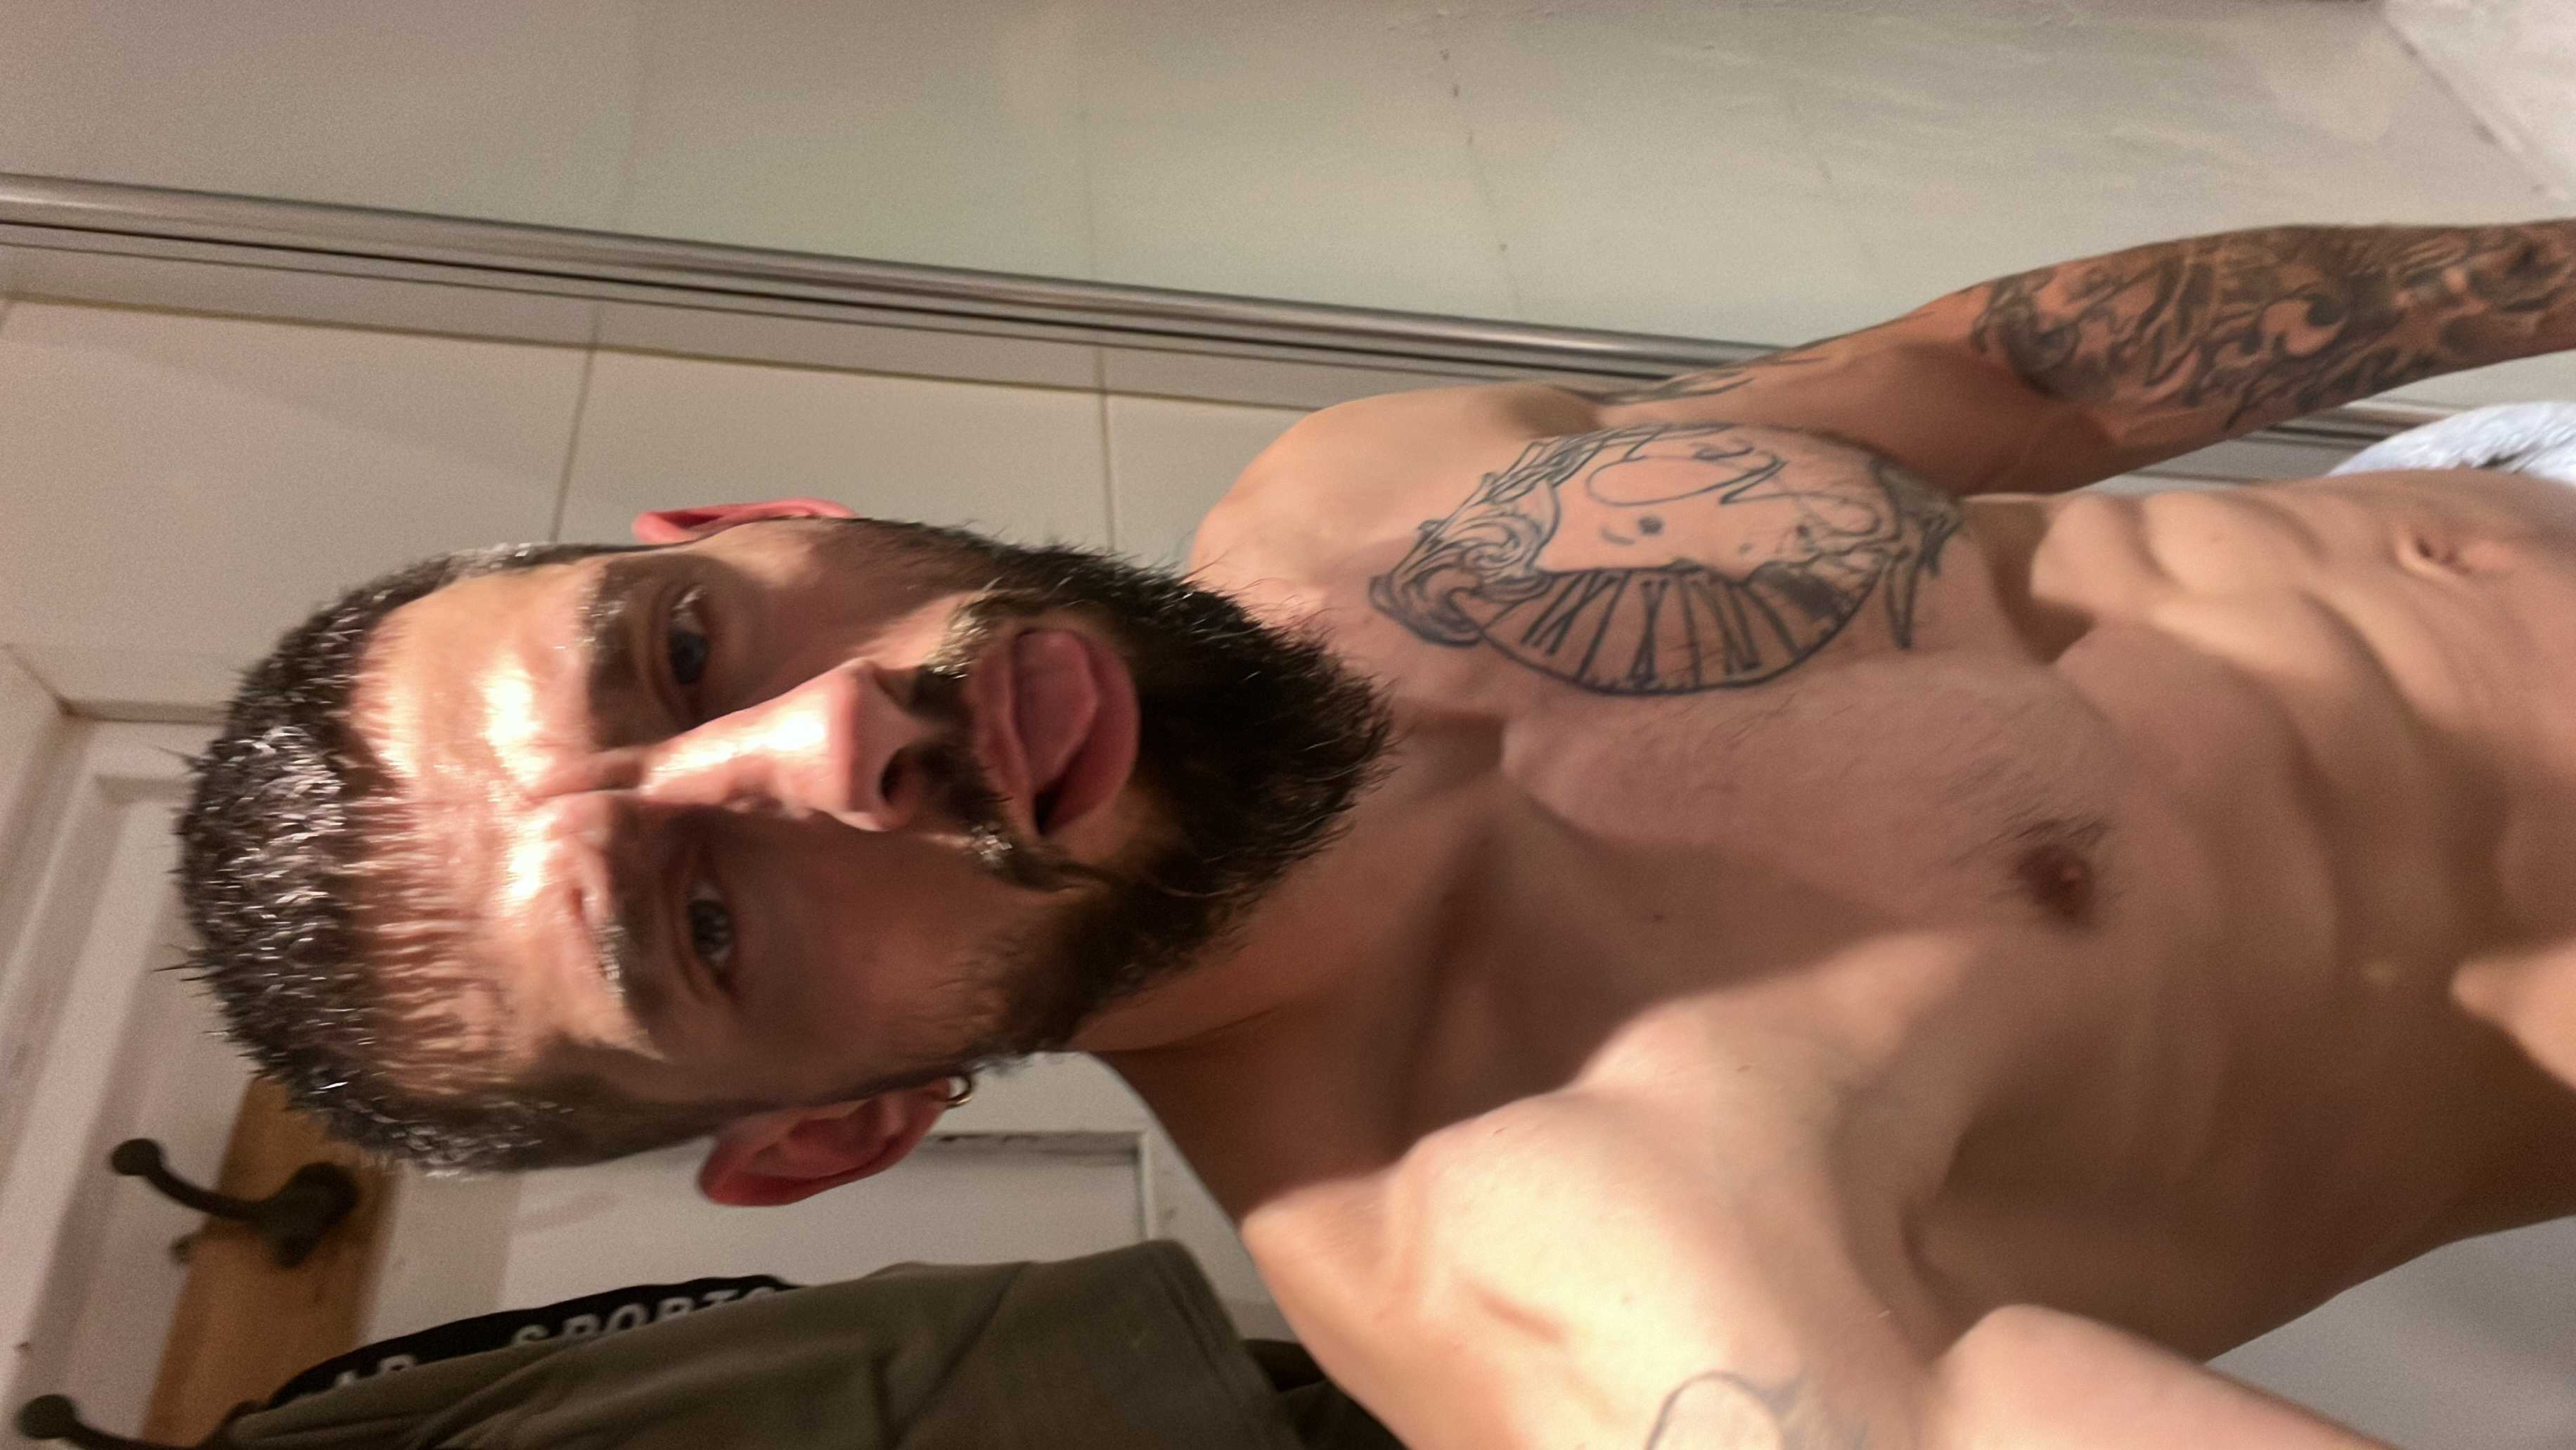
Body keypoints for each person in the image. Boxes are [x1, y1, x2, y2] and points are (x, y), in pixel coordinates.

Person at [176, 218, 2576, 1448]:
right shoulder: (1597, 1301)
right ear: (837, 1130)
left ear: (749, 520)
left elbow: (1998, 378)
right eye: (703, 923)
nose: (831, 742)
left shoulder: (1357, 486)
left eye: (686, 650)